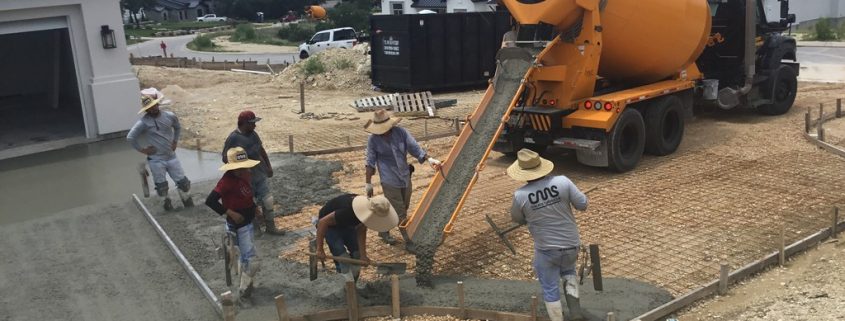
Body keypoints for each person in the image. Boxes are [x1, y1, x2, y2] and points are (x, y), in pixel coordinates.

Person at [508, 149, 588, 321]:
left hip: (546, 250)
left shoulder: (520, 195)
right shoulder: (563, 182)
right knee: (569, 272)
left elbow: (517, 219)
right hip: (571, 245)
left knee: (550, 287)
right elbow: (582, 204)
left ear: (523, 173)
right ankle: (576, 315)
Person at [364, 109, 441, 245]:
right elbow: (370, 162)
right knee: (401, 213)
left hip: (405, 176)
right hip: (389, 179)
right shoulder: (373, 140)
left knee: (401, 207)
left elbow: (414, 148)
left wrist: (429, 159)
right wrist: (368, 183)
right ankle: (410, 240)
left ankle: (383, 230)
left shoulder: (401, 133)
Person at [206, 147, 263, 301]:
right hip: (236, 225)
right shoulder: (226, 182)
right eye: (239, 167)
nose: (242, 169)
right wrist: (230, 212)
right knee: (249, 259)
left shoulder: (246, 176)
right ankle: (244, 290)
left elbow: (247, 196)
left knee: (248, 259)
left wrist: (255, 208)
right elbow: (210, 201)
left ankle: (245, 285)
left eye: (243, 166)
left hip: (247, 223)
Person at [127, 88, 192, 212]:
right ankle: (167, 206)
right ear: (146, 109)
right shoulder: (143, 122)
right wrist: (142, 150)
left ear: (158, 104)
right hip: (156, 160)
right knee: (162, 187)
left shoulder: (170, 116)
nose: (153, 109)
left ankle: (188, 202)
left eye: (154, 105)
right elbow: (130, 137)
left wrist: (175, 141)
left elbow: (177, 128)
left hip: (171, 156)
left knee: (183, 183)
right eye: (150, 108)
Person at [314, 193, 398, 286]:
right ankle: (343, 285)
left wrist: (363, 255)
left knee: (357, 255)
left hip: (347, 224)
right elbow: (322, 223)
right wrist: (319, 249)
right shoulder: (348, 211)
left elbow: (361, 230)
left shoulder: (365, 214)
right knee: (343, 257)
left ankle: (352, 283)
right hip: (330, 226)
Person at [222, 110, 283, 235]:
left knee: (268, 200)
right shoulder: (233, 139)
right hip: (245, 179)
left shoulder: (253, 134)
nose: (255, 125)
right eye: (252, 123)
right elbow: (225, 158)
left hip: (259, 174)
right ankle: (255, 228)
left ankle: (270, 227)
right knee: (249, 203)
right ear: (244, 123)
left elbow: (261, 150)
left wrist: (268, 166)